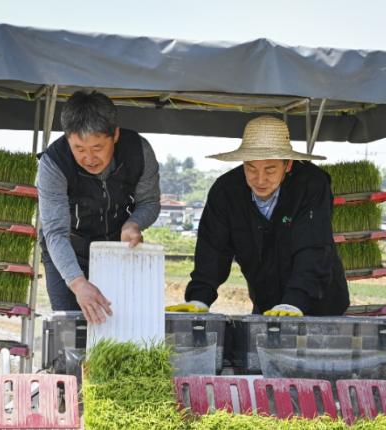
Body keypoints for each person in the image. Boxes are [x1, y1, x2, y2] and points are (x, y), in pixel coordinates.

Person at [167, 116, 349, 317]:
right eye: (251, 168)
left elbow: (313, 247)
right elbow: (212, 248)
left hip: (319, 304)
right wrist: (199, 298)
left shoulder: (311, 185)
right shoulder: (226, 191)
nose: (260, 180)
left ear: (288, 165)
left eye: (270, 170)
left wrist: (294, 302)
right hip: (266, 303)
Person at [38, 90, 161, 324]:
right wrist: (77, 283)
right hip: (68, 248)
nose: (89, 158)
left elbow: (149, 202)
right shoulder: (54, 163)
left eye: (97, 148)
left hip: (115, 249)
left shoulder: (139, 151)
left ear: (115, 135)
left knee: (118, 322)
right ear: (68, 139)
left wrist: (134, 224)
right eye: (79, 149)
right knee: (71, 325)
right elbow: (55, 232)